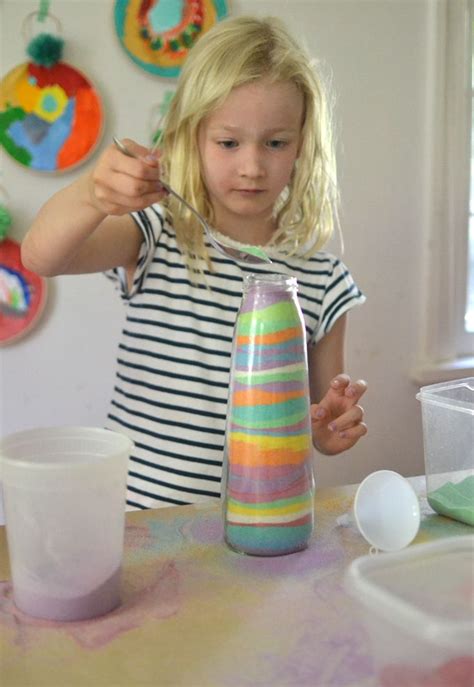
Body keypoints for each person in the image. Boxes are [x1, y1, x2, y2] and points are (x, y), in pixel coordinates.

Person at [22, 15, 368, 511]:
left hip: (268, 525)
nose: (252, 166)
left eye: (276, 142)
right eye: (229, 143)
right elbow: (39, 256)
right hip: (139, 522)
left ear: (303, 144)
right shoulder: (157, 233)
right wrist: (93, 194)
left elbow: (319, 424)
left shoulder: (322, 281)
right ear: (193, 138)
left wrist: (332, 428)